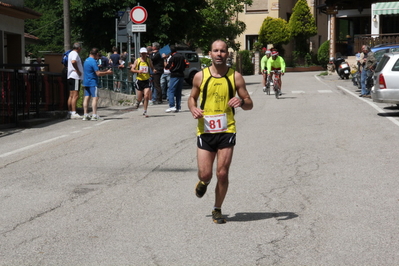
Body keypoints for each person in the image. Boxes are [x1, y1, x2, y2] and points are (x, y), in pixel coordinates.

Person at [188, 39, 253, 224]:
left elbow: (249, 104)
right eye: (215, 51)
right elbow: (192, 98)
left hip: (227, 129)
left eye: (222, 51)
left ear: (227, 54)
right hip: (205, 130)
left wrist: (241, 102)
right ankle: (203, 183)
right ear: (210, 53)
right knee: (205, 174)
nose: (219, 54)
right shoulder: (200, 76)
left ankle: (217, 209)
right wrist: (193, 108)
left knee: (222, 173)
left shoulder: (236, 77)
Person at [82, 48, 113, 121]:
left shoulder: (86, 60)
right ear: (96, 54)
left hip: (86, 81)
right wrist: (107, 73)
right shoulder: (93, 61)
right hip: (92, 82)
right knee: (95, 98)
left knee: (86, 97)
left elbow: (93, 71)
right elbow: (98, 73)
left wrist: (103, 71)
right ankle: (94, 115)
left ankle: (85, 114)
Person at [130, 47, 155, 117]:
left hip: (146, 80)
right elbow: (132, 69)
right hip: (139, 80)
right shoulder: (137, 61)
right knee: (140, 97)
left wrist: (154, 70)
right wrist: (138, 71)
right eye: (142, 53)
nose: (143, 55)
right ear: (140, 54)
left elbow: (152, 67)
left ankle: (145, 111)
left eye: (145, 53)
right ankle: (138, 102)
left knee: (146, 96)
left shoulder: (148, 60)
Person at [163, 46, 188, 113]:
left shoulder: (172, 58)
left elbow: (167, 67)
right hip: (181, 75)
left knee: (171, 91)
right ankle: (178, 107)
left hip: (174, 75)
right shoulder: (182, 57)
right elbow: (187, 64)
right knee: (178, 91)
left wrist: (165, 59)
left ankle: (172, 106)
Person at [67, 42, 83, 119]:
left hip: (70, 76)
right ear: (79, 48)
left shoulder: (70, 53)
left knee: (71, 95)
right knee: (75, 95)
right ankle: (74, 112)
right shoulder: (75, 54)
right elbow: (73, 62)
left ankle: (70, 112)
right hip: (75, 76)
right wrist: (78, 70)